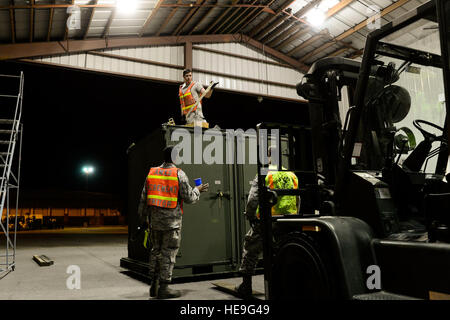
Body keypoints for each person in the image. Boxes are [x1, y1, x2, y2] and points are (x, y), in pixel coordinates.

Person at [138, 145, 209, 299]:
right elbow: (189, 198)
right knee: (168, 254)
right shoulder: (179, 174)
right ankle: (164, 288)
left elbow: (143, 199)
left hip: (155, 222)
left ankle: (153, 285)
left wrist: (143, 219)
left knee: (155, 251)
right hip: (172, 224)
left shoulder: (152, 173)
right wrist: (198, 189)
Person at [236, 147, 300, 299]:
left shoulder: (265, 173)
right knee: (282, 252)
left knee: (250, 248)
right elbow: (297, 199)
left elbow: (253, 199)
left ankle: (246, 286)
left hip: (268, 220)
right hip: (287, 221)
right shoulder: (291, 174)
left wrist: (250, 216)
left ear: (269, 156)